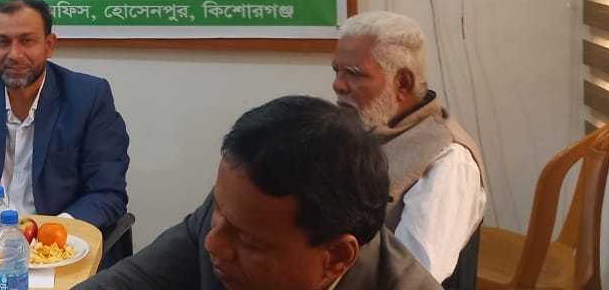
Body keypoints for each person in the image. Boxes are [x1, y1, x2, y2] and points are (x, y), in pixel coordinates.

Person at [75, 96, 442, 290]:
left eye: (249, 240)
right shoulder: (228, 217)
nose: (213, 245)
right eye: (218, 212)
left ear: (335, 257)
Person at [0, 0, 129, 231]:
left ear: (49, 45)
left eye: (27, 41)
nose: (14, 54)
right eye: (2, 42)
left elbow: (107, 192)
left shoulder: (88, 97)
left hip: (57, 236)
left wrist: (56, 230)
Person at [331, 11, 487, 282]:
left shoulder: (447, 160)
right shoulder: (367, 126)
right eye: (337, 71)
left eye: (354, 74)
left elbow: (413, 278)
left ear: (402, 83)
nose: (338, 85)